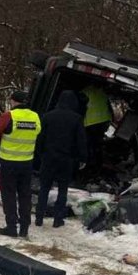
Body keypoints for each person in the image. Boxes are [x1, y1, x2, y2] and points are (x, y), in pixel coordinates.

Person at [0, 91, 41, 237]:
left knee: (9, 195)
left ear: (13, 101)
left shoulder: (9, 116)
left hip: (9, 162)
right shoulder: (35, 116)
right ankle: (24, 228)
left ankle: (11, 227)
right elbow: (37, 133)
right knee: (25, 194)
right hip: (27, 163)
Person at [35, 91, 88, 228]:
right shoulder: (76, 119)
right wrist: (82, 158)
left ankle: (39, 217)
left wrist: (39, 154)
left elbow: (40, 138)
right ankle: (58, 219)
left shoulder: (47, 117)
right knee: (63, 189)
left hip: (48, 158)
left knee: (44, 188)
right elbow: (80, 140)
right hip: (66, 159)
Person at [81, 84, 112, 171]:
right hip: (103, 121)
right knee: (97, 143)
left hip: (90, 123)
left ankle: (88, 164)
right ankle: (97, 164)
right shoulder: (101, 92)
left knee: (88, 144)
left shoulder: (84, 92)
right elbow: (109, 107)